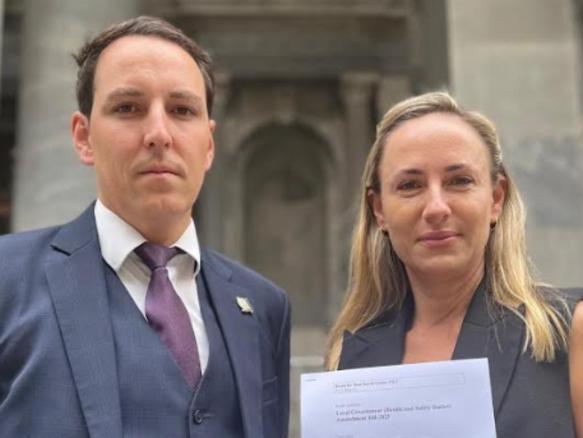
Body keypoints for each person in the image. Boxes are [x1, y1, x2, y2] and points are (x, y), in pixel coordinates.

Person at [0, 16, 290, 438]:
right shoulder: (6, 278)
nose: (159, 133)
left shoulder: (264, 306)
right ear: (83, 137)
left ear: (208, 145)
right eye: (127, 108)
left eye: (181, 110)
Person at [326, 91, 583, 437]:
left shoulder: (569, 330)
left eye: (459, 181)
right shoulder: (349, 358)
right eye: (410, 185)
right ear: (380, 211)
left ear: (495, 198)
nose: (436, 208)